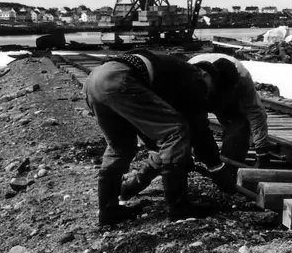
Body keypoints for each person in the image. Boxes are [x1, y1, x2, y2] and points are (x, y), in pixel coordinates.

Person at [83, 49, 234, 227]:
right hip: (119, 80)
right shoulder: (197, 78)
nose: (207, 94)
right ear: (208, 77)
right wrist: (215, 166)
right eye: (212, 89)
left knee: (120, 147)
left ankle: (109, 212)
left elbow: (152, 122)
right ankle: (179, 209)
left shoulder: (174, 73)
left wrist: (169, 153)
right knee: (176, 130)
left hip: (95, 80)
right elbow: (198, 128)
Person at [189, 53, 271, 168]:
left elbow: (255, 112)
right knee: (194, 125)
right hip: (195, 92)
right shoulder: (191, 76)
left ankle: (229, 166)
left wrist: (262, 150)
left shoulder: (242, 79)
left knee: (238, 127)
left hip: (228, 94)